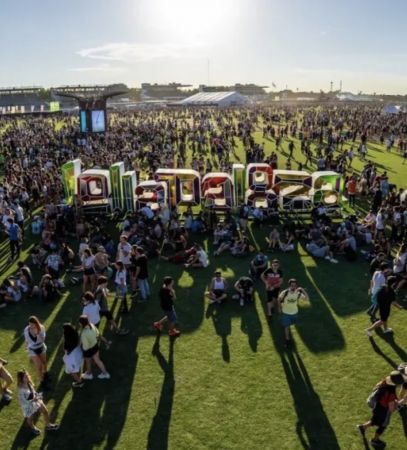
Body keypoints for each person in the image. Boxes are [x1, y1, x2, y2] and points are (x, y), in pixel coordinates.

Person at [357, 371, 407, 448]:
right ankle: (375, 440)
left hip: (377, 406)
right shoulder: (391, 393)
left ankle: (362, 427)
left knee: (375, 420)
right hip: (384, 411)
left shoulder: (384, 382)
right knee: (383, 425)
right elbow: (391, 409)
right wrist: (402, 401)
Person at [16, 369, 59, 436]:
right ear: (21, 379)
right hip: (28, 406)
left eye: (27, 375)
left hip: (35, 400)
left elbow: (33, 391)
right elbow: (23, 401)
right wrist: (34, 399)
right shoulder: (21, 390)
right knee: (30, 419)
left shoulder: (29, 383)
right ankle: (32, 427)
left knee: (45, 411)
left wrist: (37, 395)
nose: (27, 377)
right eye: (25, 377)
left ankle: (48, 425)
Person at [278, 279, 309, 346]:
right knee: (286, 326)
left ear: (296, 286)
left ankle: (285, 325)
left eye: (295, 285)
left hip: (294, 313)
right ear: (289, 286)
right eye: (292, 285)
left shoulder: (298, 294)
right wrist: (279, 308)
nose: (293, 287)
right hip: (286, 312)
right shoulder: (285, 292)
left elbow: (307, 299)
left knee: (291, 324)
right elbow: (279, 299)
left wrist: (302, 290)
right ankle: (287, 340)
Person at [79, 315, 110, 381]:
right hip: (95, 346)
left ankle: (89, 374)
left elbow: (86, 346)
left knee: (88, 362)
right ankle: (105, 374)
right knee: (98, 361)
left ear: (81, 324)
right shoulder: (92, 325)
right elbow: (97, 334)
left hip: (88, 350)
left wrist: (83, 350)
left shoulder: (84, 333)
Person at [23, 316, 50, 388]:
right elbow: (26, 339)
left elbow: (43, 339)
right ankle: (42, 382)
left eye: (33, 325)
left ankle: (46, 375)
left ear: (36, 323)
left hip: (41, 346)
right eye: (30, 324)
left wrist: (37, 334)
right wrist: (26, 346)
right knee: (39, 366)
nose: (31, 326)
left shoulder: (41, 328)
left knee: (44, 362)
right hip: (32, 349)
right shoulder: (26, 329)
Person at [62, 323, 84, 388]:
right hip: (78, 353)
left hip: (72, 357)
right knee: (78, 366)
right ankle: (79, 376)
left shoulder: (67, 340)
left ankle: (79, 382)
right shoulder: (76, 333)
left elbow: (66, 350)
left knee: (72, 371)